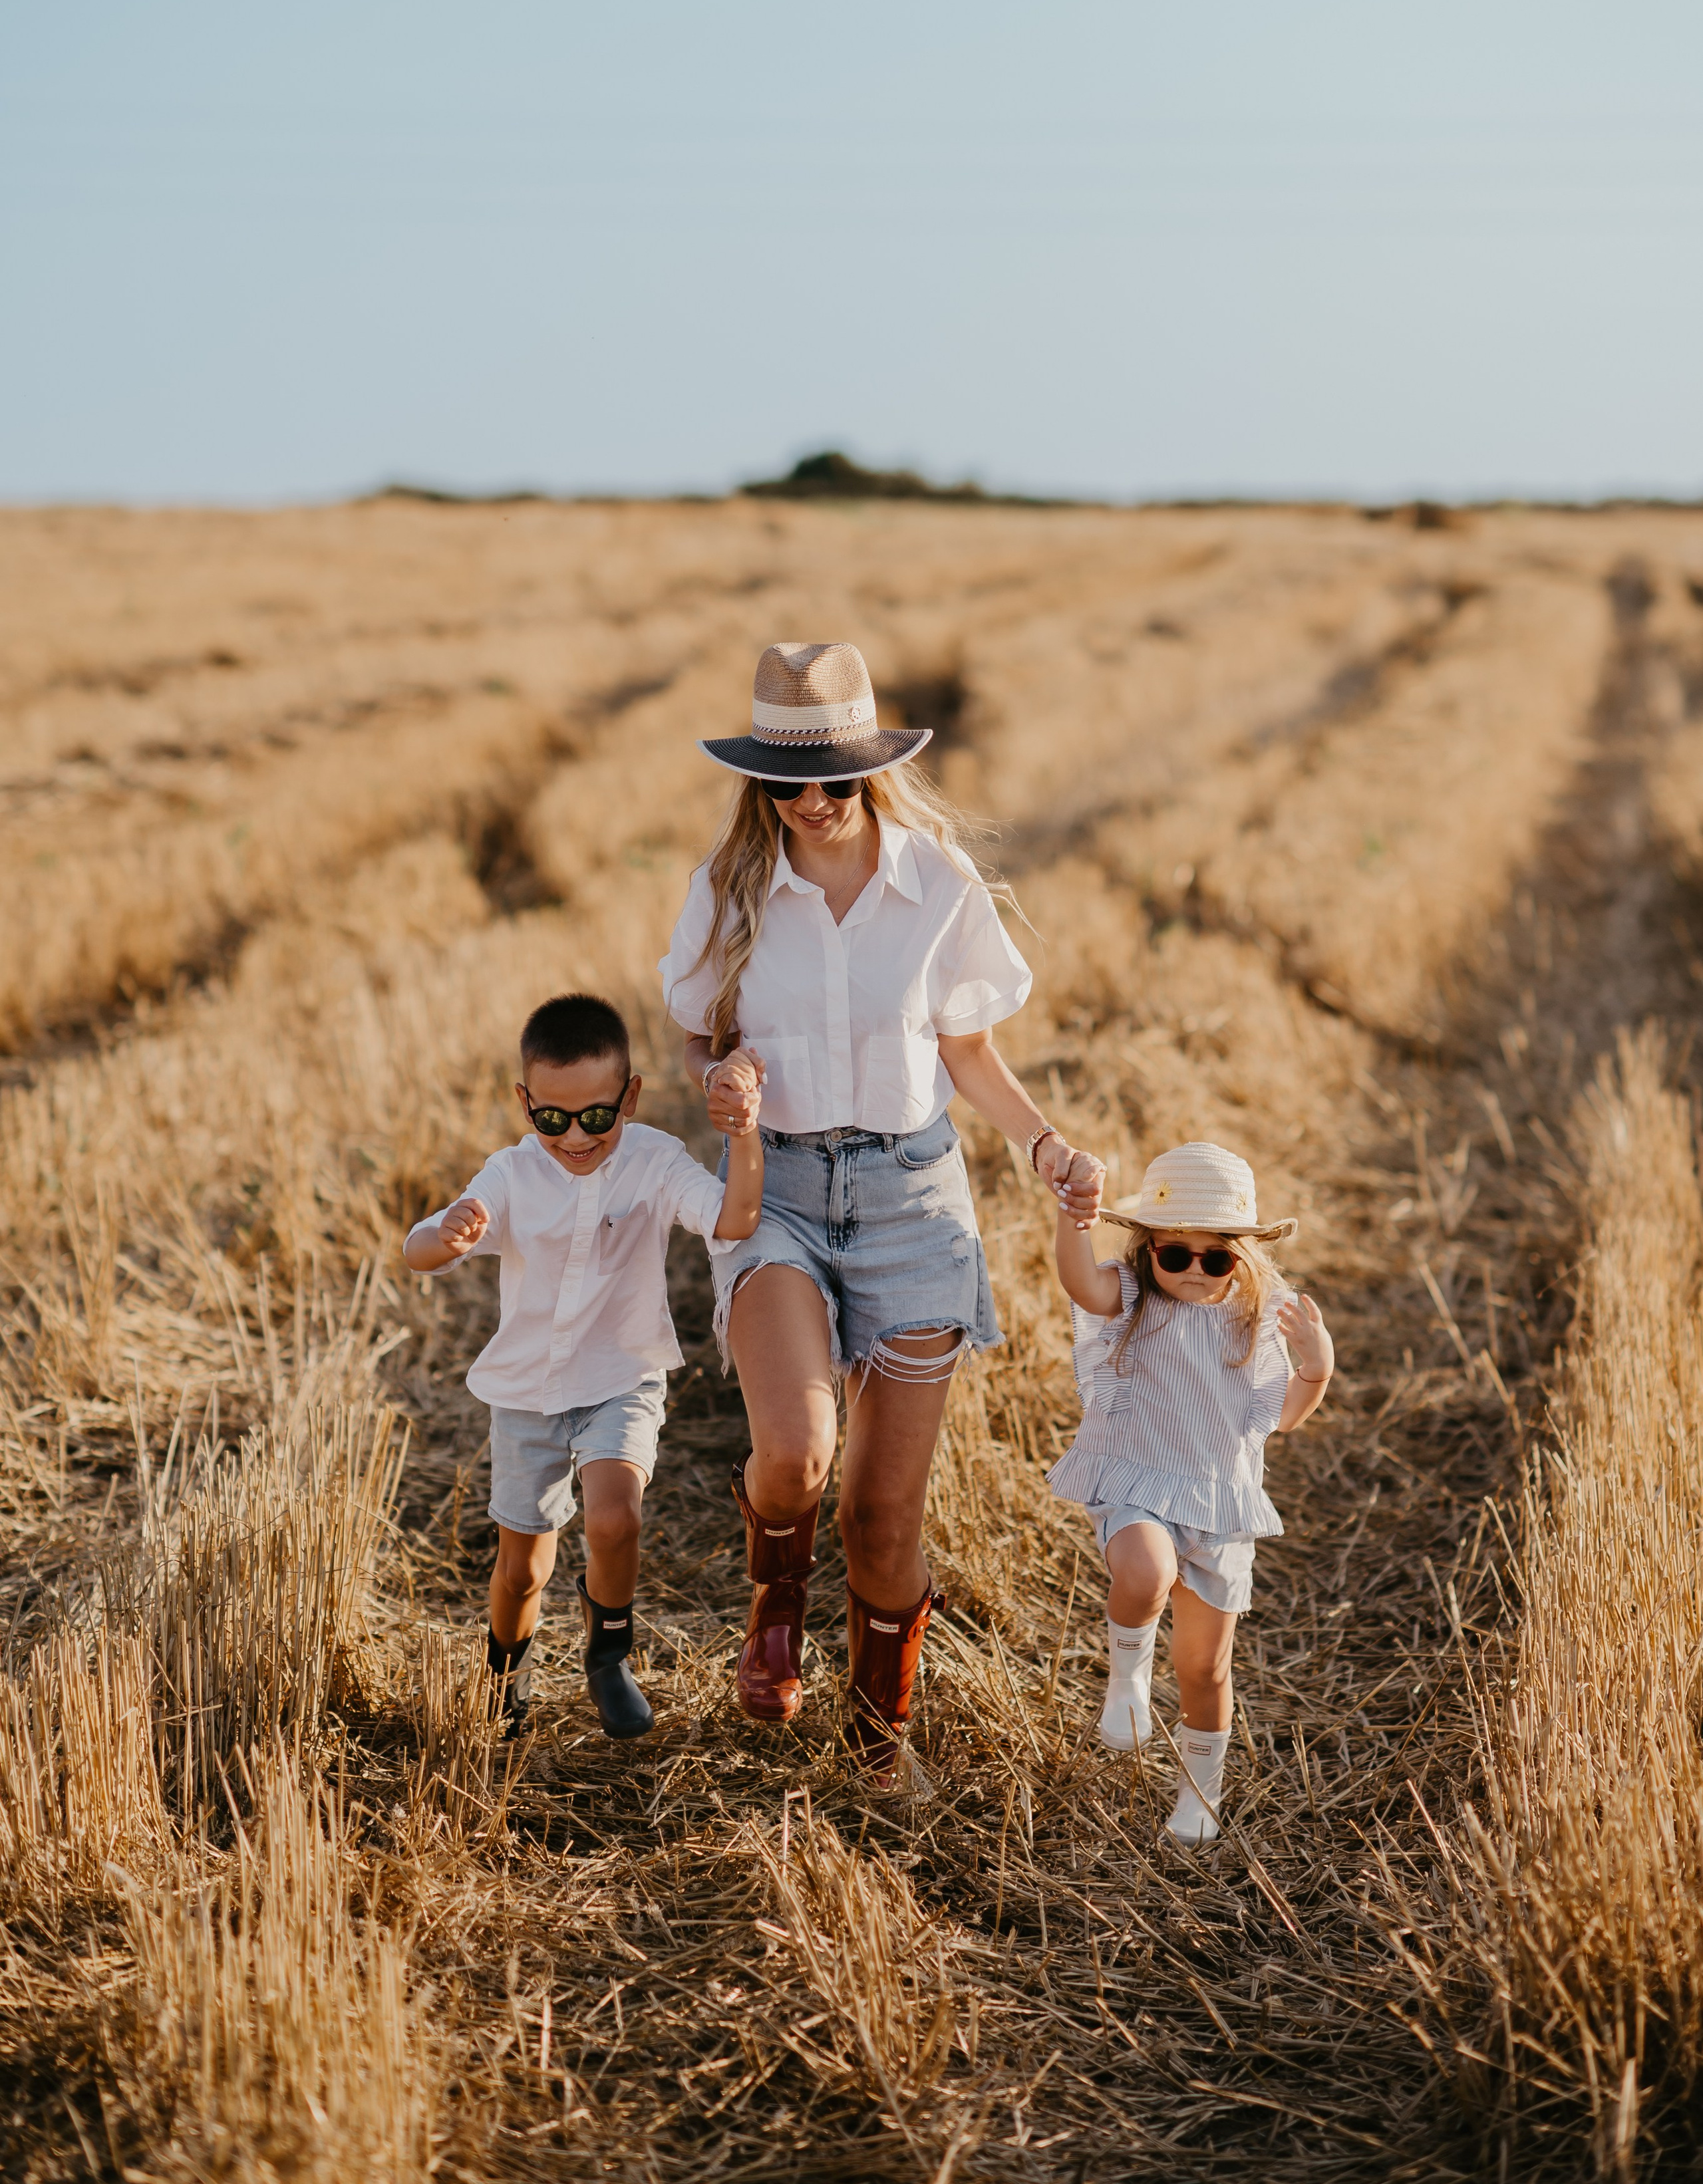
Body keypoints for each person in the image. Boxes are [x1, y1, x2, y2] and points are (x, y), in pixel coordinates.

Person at [659, 640, 1105, 1784]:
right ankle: (774, 1598)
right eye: (784, 783)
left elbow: (969, 1050)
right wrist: (724, 1076)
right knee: (795, 1452)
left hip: (913, 1203)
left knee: (882, 1519)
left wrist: (1046, 1145)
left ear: (873, 770)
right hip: (779, 1194)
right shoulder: (731, 886)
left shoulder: (938, 884)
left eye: (834, 780)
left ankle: (875, 1741)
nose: (810, 803)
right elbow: (703, 1035)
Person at [403, 992, 763, 1740]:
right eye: (552, 1118)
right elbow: (419, 1251)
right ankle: (506, 1672)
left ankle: (607, 1655)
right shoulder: (509, 1174)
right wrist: (448, 1233)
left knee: (615, 1515)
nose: (574, 1136)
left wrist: (746, 1133)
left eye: (597, 1116)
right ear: (525, 1103)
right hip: (527, 1391)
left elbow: (733, 1219)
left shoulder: (655, 1161)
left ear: (629, 1096)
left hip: (620, 1377)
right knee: (522, 1571)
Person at [1046, 1141, 1335, 1843]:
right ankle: (1128, 1682)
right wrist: (1073, 1218)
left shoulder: (1260, 1318)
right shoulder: (1132, 1295)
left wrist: (1316, 1368)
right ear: (1149, 1248)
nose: (1195, 1271)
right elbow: (1081, 1284)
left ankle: (1200, 1796)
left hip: (1219, 1502)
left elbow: (1283, 1418)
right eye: (1176, 1254)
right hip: (1140, 1480)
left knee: (1205, 1669)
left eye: (1217, 1258)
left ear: (1243, 1256)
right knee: (1146, 1571)